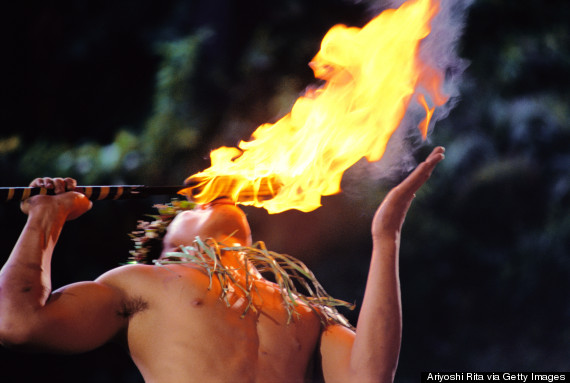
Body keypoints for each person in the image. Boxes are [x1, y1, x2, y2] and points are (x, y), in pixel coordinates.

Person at [0, 147, 445, 383]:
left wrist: (386, 237)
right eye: (188, 209)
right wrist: (44, 219)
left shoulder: (306, 313)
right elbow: (17, 323)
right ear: (169, 249)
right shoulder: (144, 285)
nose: (209, 199)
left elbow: (370, 377)